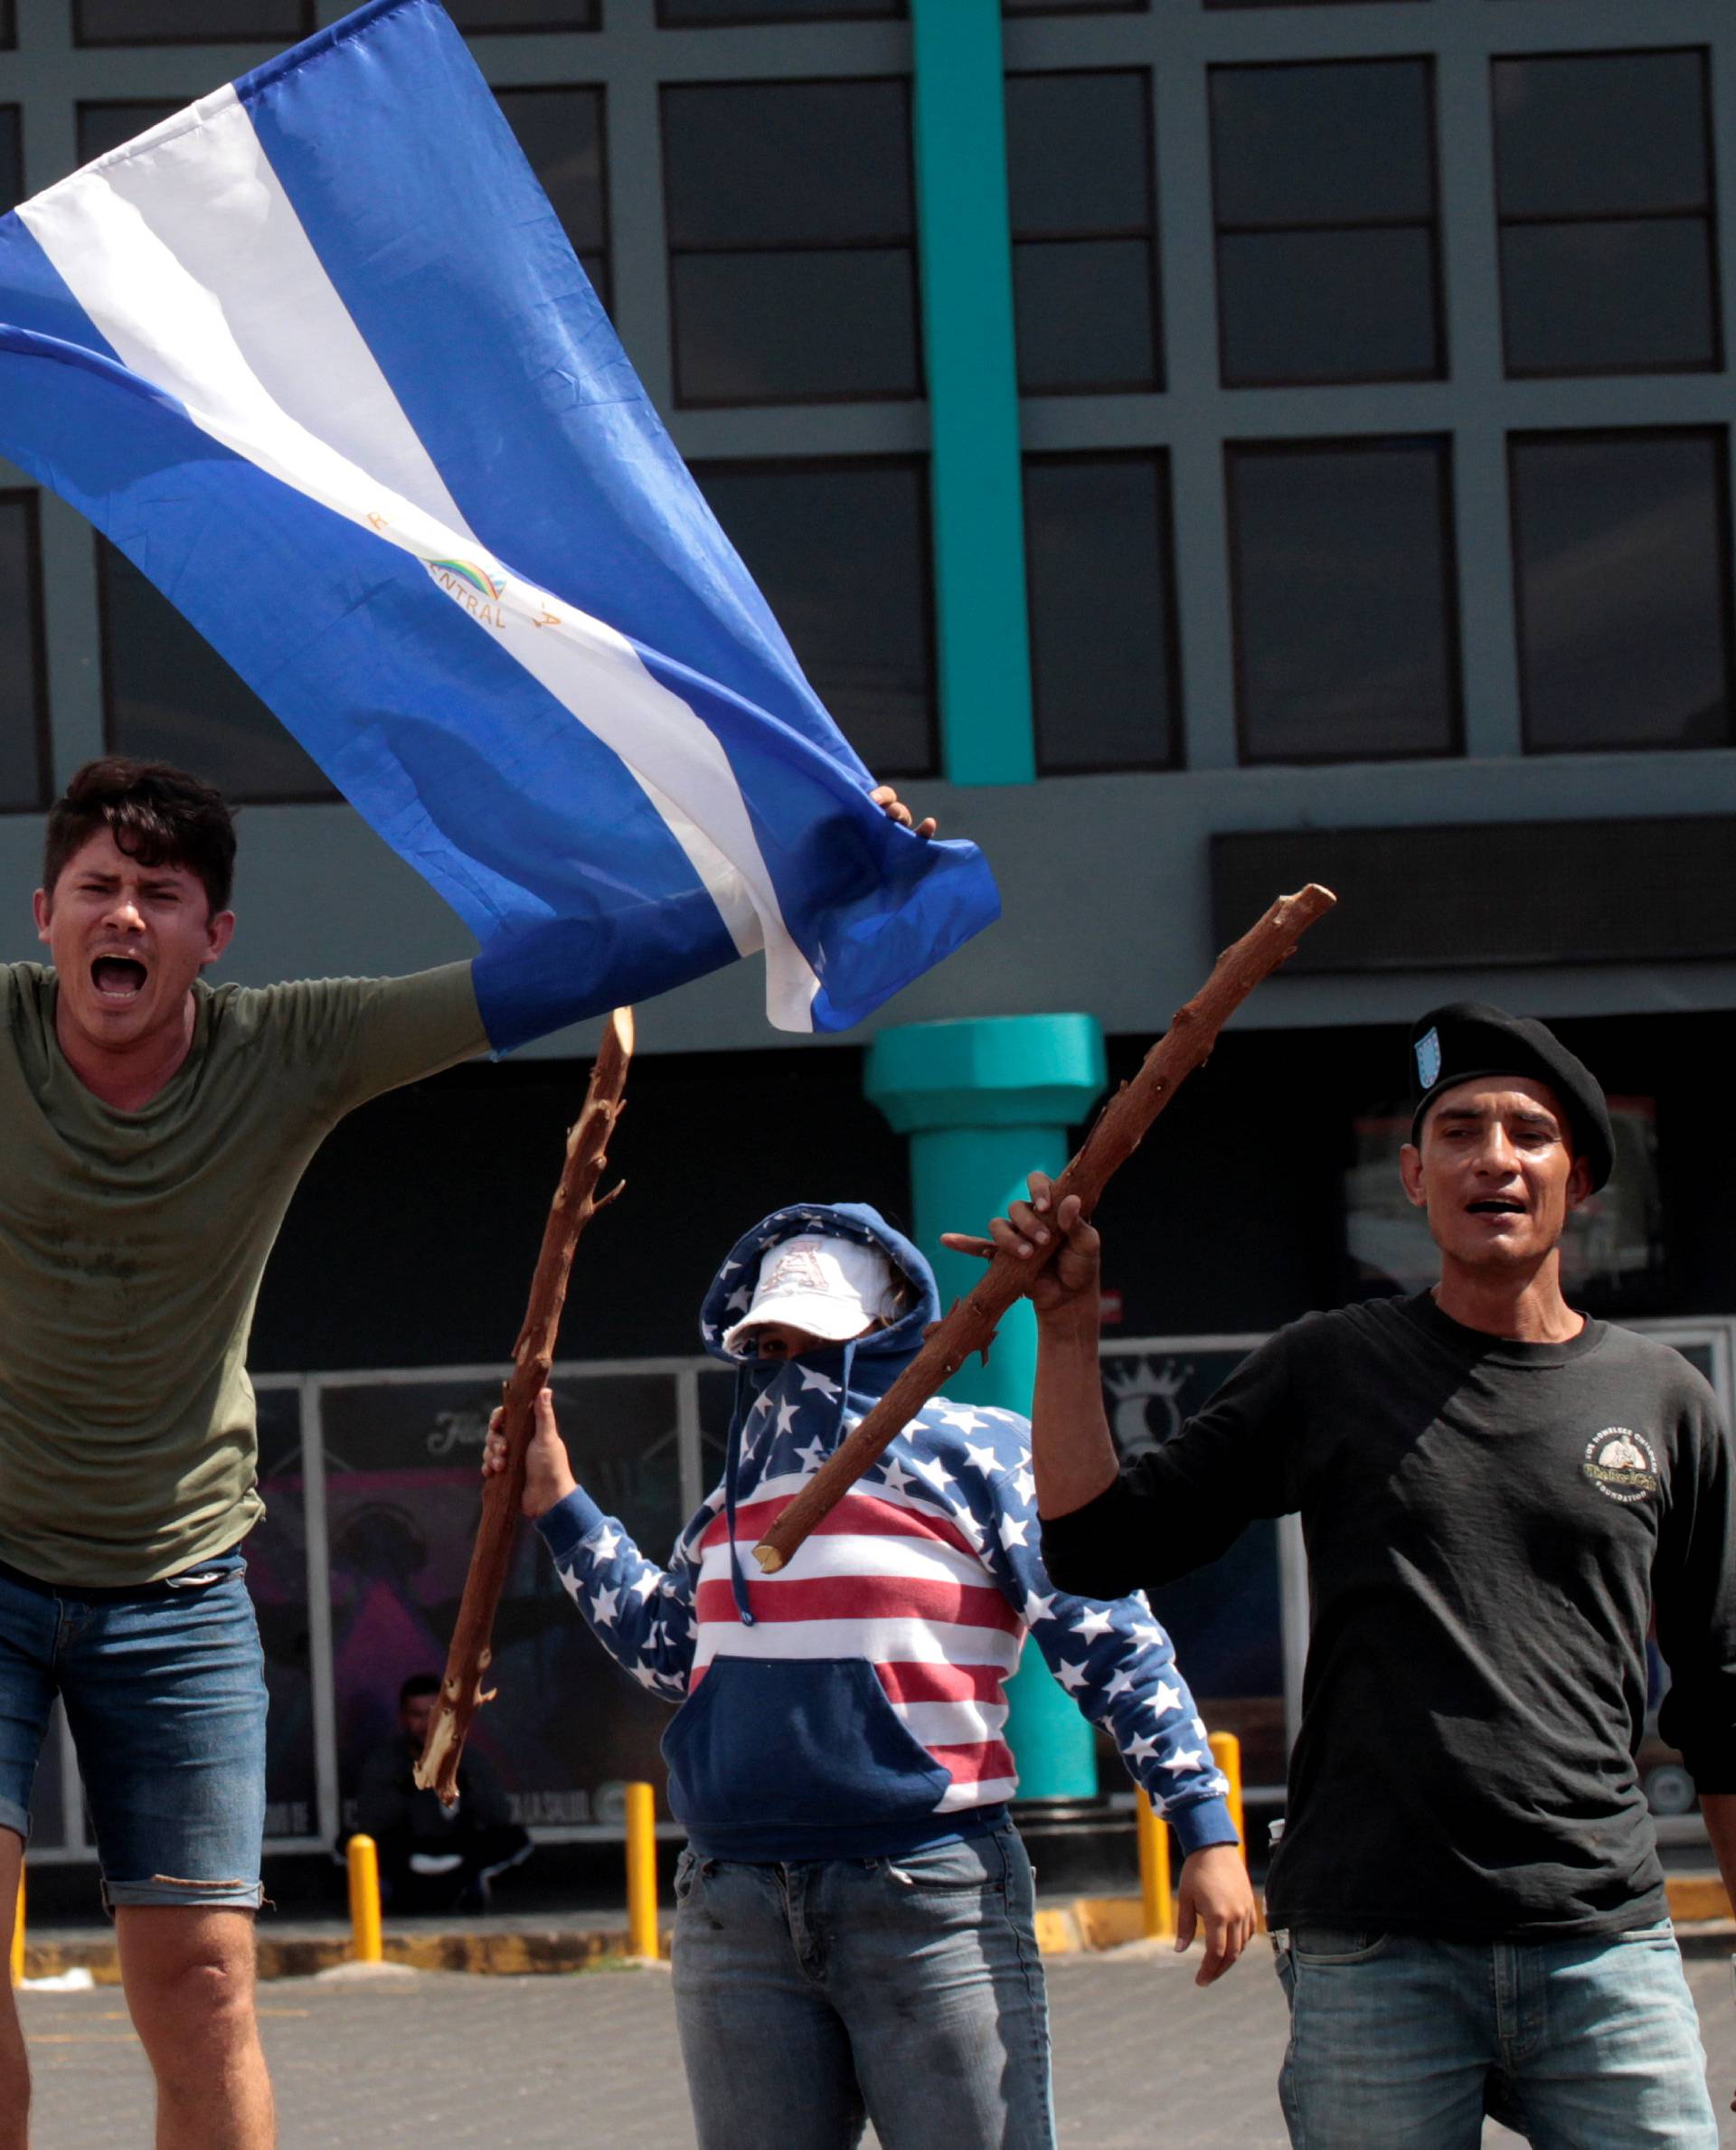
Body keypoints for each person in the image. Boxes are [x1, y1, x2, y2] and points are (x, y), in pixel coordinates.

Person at [0, 755, 930, 2150]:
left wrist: (790, 877)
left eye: (159, 895)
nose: (122, 915)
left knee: (199, 1983)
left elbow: (549, 973)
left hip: (177, 1587)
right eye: (97, 889)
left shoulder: (285, 1048)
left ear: (213, 937)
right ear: (44, 913)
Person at [966, 1003, 1736, 2149]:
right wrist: (1066, 1326)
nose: (1496, 1157)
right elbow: (1097, 1544)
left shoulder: (1665, 1398)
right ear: (1416, 1180)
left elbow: (1719, 1697)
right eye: (1462, 1132)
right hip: (1374, 1945)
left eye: (1530, 1132)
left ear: (1579, 1181)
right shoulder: (1329, 1366)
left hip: (1602, 1938)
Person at [484, 1202, 1257, 2150]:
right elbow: (666, 1649)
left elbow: (1107, 1633)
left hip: (926, 1895)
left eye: (814, 1332)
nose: (785, 1355)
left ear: (891, 1328)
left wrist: (1203, 1825)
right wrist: (559, 1504)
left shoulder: (980, 1452)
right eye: (766, 1335)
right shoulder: (734, 1500)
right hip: (733, 1908)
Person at [347, 1674, 531, 1913]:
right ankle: (390, 1889)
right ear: (403, 1718)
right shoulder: (384, 1763)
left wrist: (464, 1784)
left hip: (458, 1850)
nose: (427, 1724)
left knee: (517, 1839)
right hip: (407, 1854)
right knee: (349, 1844)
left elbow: (498, 1817)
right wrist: (408, 1789)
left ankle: (471, 1884)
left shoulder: (470, 1760)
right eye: (418, 1715)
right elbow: (370, 1825)